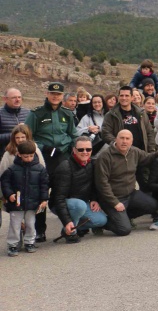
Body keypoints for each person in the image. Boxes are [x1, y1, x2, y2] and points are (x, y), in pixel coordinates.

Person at [26, 81, 79, 241]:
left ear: (62, 97)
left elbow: (73, 134)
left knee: (62, 193)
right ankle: (39, 230)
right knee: (40, 194)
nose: (55, 97)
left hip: (62, 158)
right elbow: (29, 137)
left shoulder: (67, 114)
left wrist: (75, 148)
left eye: (58, 94)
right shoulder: (36, 114)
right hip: (42, 158)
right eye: (52, 94)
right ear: (47, 94)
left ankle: (69, 228)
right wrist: (44, 147)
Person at [94, 130, 158, 236]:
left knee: (153, 205)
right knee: (124, 230)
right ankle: (101, 223)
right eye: (122, 138)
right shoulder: (105, 156)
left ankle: (123, 218)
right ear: (116, 139)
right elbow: (102, 183)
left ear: (131, 141)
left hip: (130, 194)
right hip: (113, 198)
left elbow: (147, 157)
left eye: (127, 139)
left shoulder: (134, 152)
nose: (124, 141)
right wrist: (115, 202)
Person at [51, 136, 107, 242]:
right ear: (74, 150)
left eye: (88, 149)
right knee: (79, 206)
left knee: (101, 220)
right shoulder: (65, 167)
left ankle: (73, 227)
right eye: (81, 149)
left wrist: (94, 199)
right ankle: (70, 231)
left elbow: (94, 186)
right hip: (61, 204)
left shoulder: (92, 164)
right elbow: (58, 198)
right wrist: (66, 221)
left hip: (81, 203)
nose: (85, 152)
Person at [2, 140, 48, 256]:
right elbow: (5, 183)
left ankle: (29, 242)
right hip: (16, 203)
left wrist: (44, 199)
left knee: (31, 223)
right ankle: (13, 244)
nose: (28, 159)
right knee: (15, 224)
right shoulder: (12, 169)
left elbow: (44, 185)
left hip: (32, 203)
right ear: (19, 155)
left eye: (31, 156)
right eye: (26, 156)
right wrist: (9, 194)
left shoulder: (40, 169)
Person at [101, 86, 155, 153]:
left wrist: (151, 150)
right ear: (118, 97)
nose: (124, 98)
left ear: (132, 97)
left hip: (142, 154)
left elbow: (149, 132)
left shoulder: (141, 113)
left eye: (127, 95)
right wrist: (119, 144)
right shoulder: (111, 115)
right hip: (121, 155)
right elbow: (105, 133)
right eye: (121, 95)